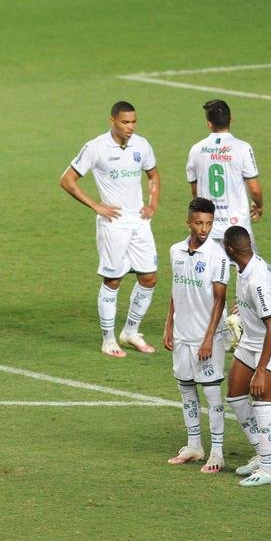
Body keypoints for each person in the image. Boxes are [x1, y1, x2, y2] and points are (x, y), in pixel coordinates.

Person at [60, 101, 161, 357]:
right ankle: (108, 340)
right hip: (113, 224)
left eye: (134, 122)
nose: (131, 127)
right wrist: (96, 205)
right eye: (125, 122)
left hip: (139, 222)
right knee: (113, 279)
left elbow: (153, 175)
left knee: (149, 277)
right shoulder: (96, 147)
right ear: (112, 121)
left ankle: (130, 331)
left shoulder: (142, 145)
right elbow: (67, 180)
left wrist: (152, 204)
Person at [222, 226, 271, 488]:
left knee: (262, 400)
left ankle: (267, 470)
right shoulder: (244, 268)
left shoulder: (257, 278)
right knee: (235, 394)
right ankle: (265, 453)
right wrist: (240, 307)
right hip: (252, 338)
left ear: (229, 249)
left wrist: (261, 369)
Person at [161, 198, 229, 473]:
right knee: (186, 390)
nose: (204, 229)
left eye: (209, 223)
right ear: (188, 222)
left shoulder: (218, 256)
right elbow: (176, 290)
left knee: (212, 393)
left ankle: (218, 452)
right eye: (199, 223)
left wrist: (209, 338)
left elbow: (220, 300)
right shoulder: (175, 251)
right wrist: (169, 325)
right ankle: (194, 445)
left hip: (206, 336)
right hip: (182, 334)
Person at [185, 99, 263, 244]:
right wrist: (259, 206)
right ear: (231, 119)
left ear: (209, 124)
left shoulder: (196, 150)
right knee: (247, 266)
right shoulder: (243, 148)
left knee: (212, 267)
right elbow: (255, 190)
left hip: (208, 228)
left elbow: (195, 193)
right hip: (238, 228)